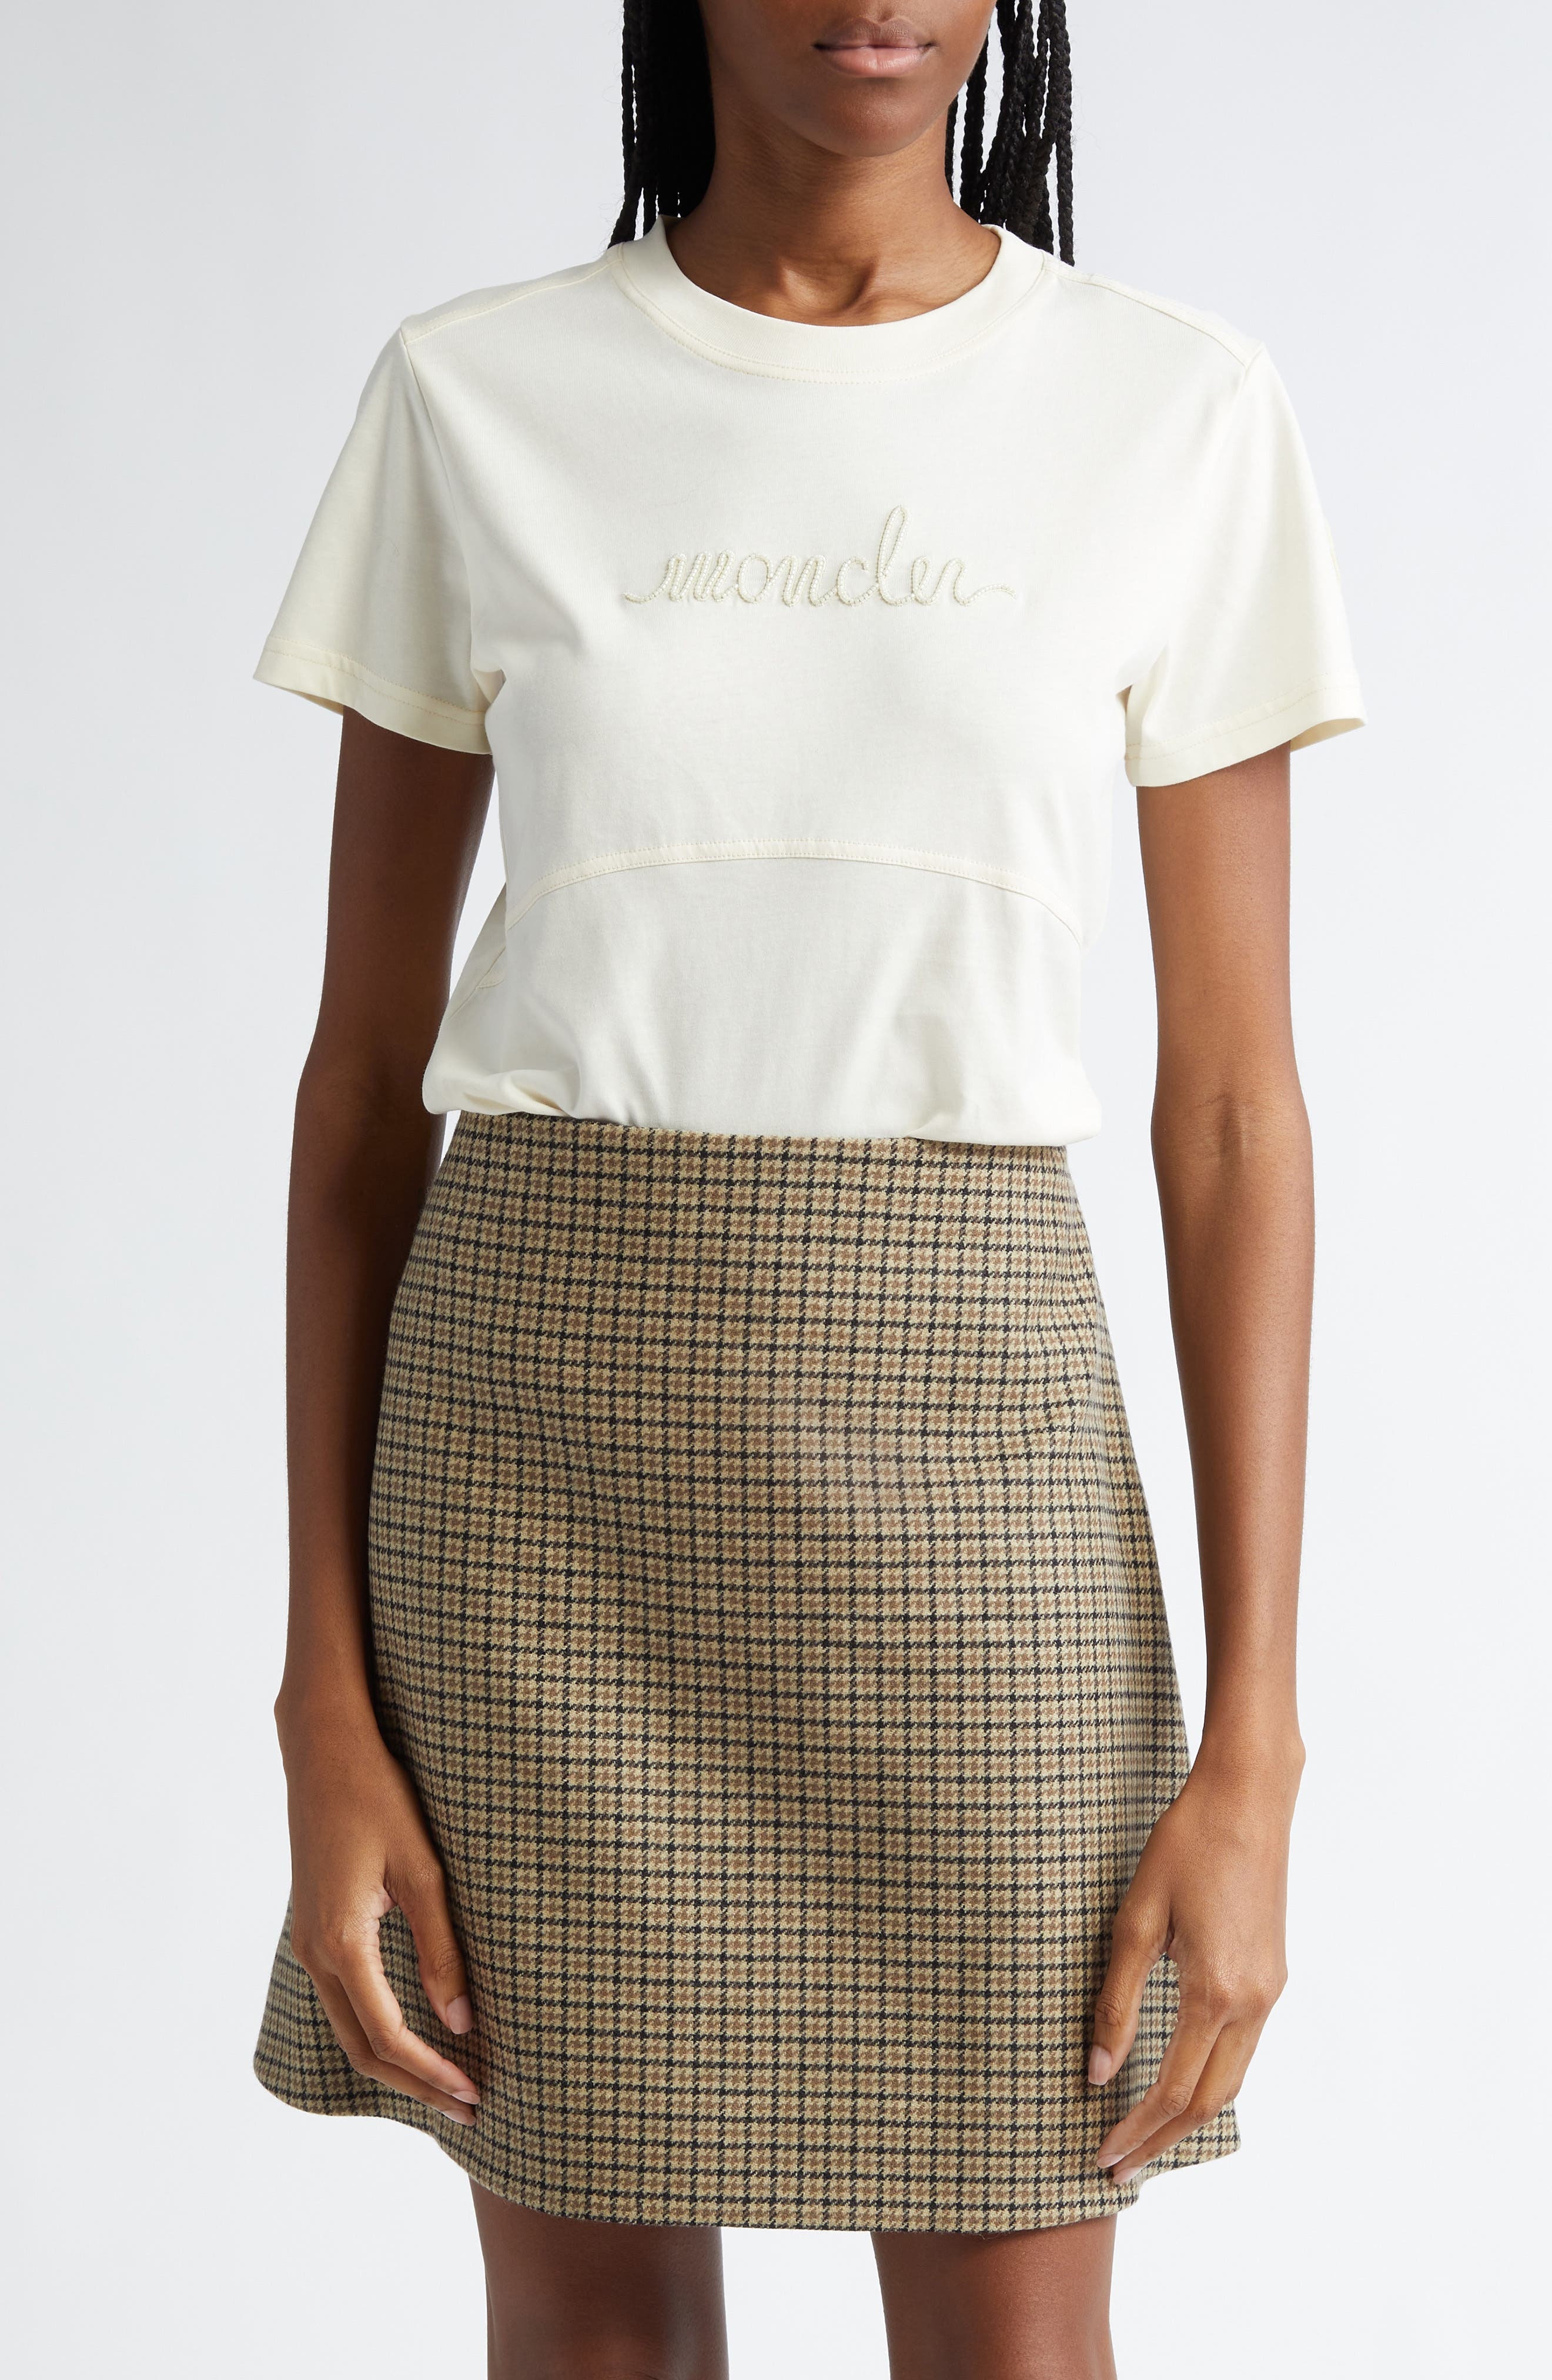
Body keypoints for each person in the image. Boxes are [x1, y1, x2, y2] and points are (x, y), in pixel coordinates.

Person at [251, 5, 1363, 2373]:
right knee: (594, 2347)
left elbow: (1237, 1113)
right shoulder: (478, 395)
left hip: (979, 1488)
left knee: (1014, 2338)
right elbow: (358, 1095)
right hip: (537, 1488)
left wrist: (1256, 1743)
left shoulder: (1173, 408)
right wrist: (320, 1698)